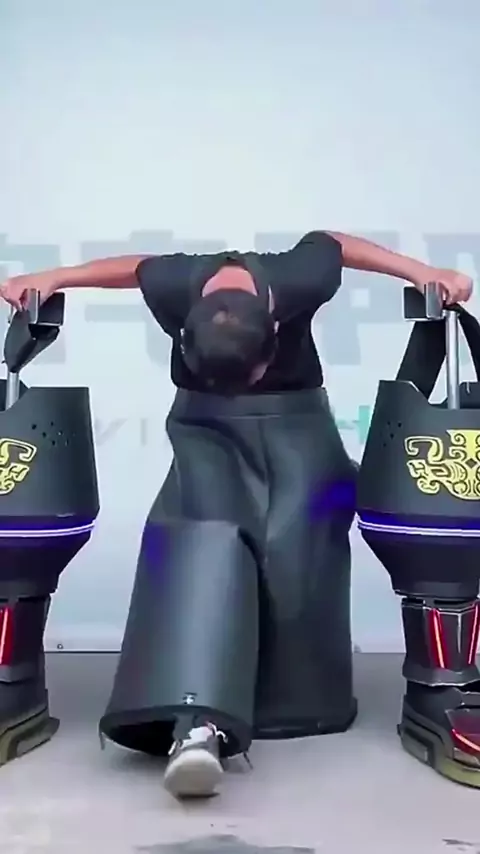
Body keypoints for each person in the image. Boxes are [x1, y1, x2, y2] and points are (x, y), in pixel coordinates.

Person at [0, 232, 473, 800]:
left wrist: (421, 271)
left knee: (299, 564)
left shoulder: (300, 277)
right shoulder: (175, 285)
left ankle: (306, 704)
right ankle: (195, 723)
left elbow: (337, 244)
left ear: (274, 331)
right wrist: (55, 278)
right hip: (206, 434)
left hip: (298, 432)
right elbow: (135, 267)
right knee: (198, 547)